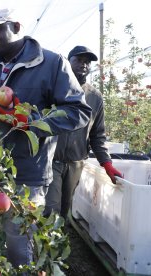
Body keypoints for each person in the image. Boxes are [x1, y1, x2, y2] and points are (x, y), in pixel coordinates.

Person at [0, 8, 92, 270]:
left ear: (17, 27)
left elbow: (79, 112)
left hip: (28, 172)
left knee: (18, 243)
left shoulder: (52, 64)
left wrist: (31, 122)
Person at [44, 46, 123, 219]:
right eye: (79, 60)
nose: (84, 65)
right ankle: (42, 244)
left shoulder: (94, 97)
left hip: (76, 162)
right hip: (52, 160)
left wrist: (106, 163)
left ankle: (56, 243)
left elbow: (97, 134)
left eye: (87, 62)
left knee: (65, 210)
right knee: (51, 209)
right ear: (68, 61)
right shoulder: (53, 88)